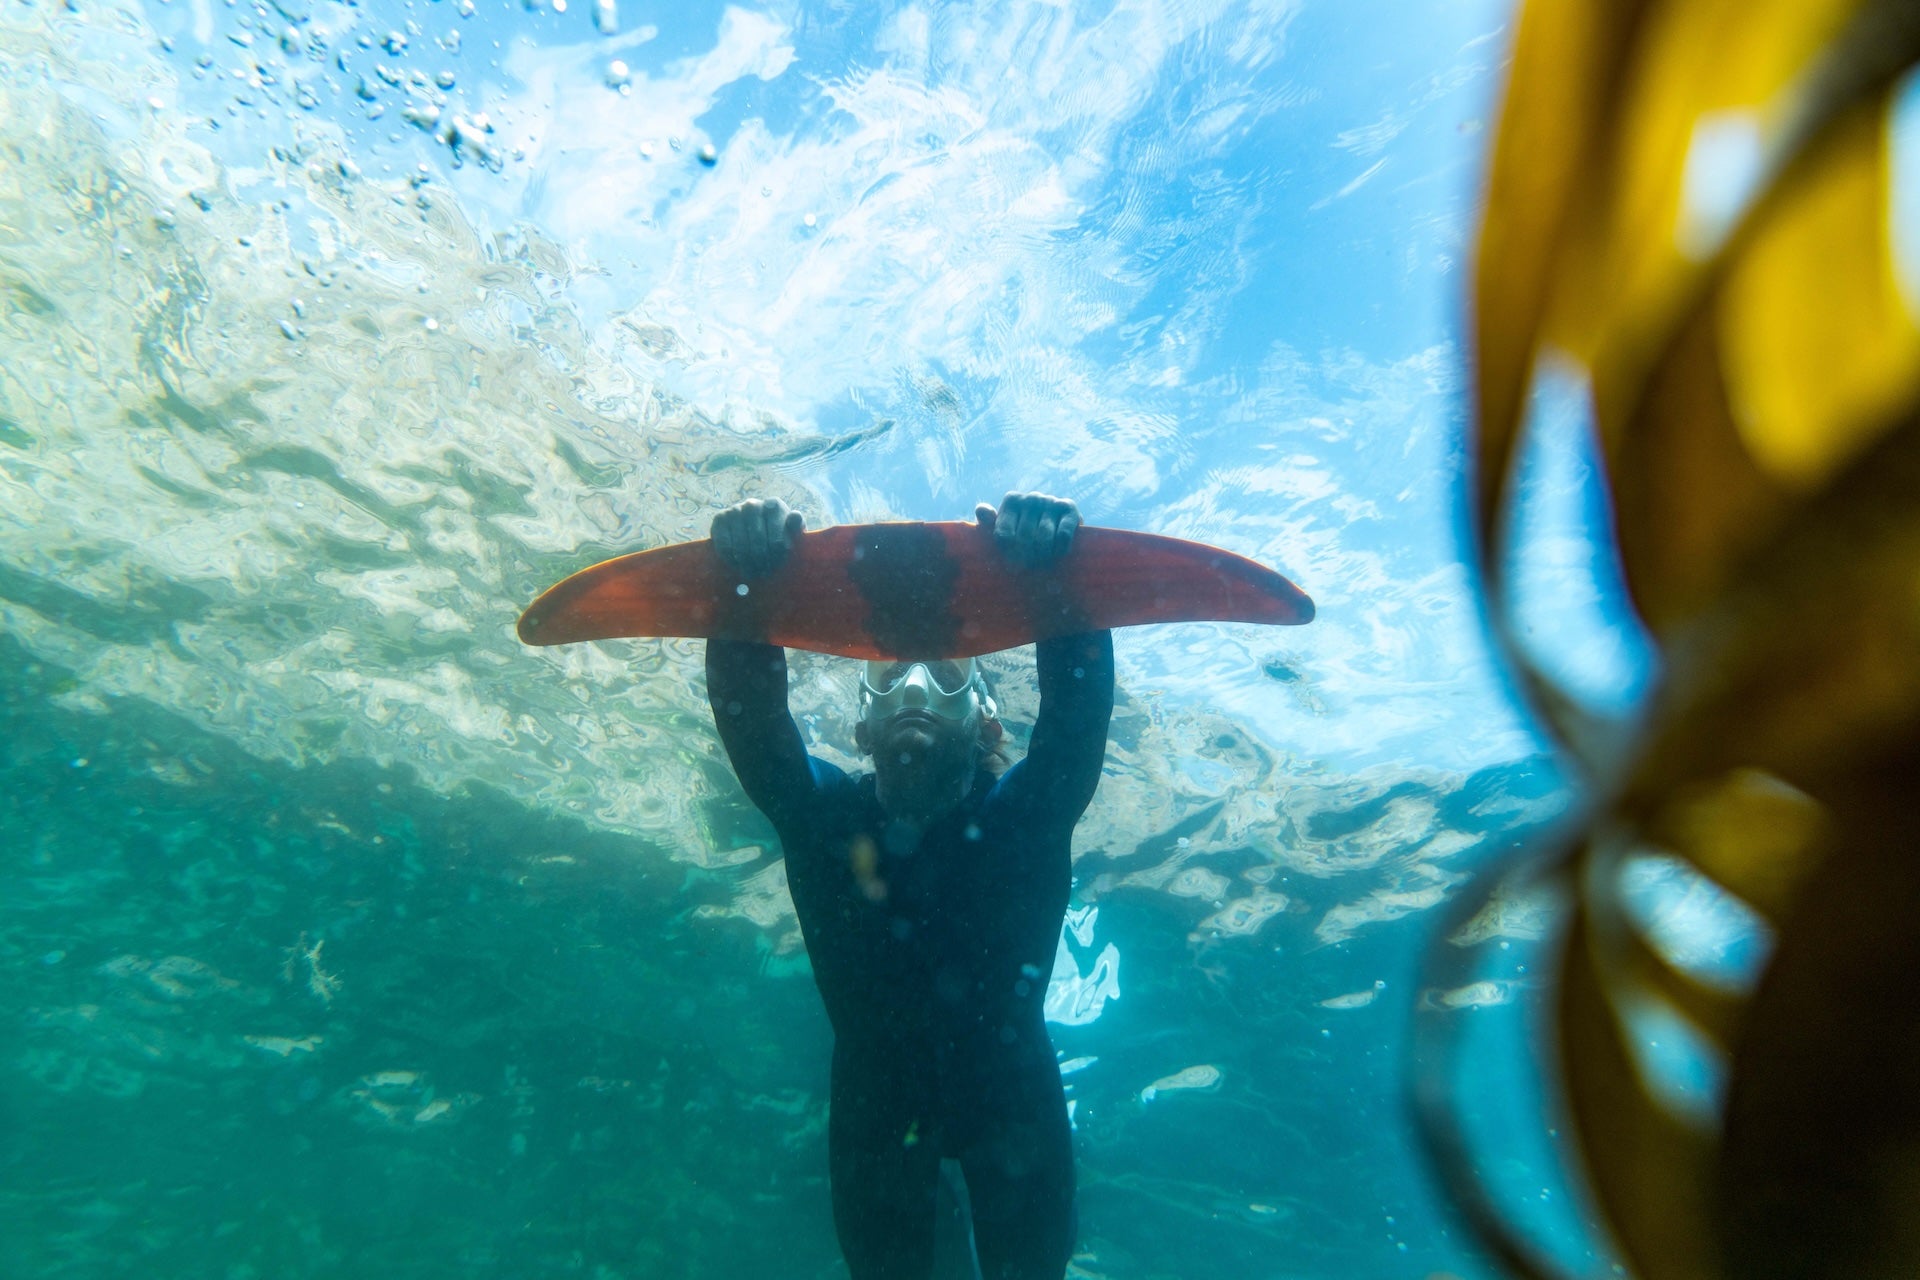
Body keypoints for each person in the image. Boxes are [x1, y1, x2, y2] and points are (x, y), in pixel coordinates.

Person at [705, 491, 1116, 1280]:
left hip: (1003, 1096)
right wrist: (746, 584)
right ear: (862, 728)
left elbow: (1074, 721)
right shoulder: (826, 819)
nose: (917, 691)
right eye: (890, 678)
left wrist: (1054, 573)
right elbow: (756, 725)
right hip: (882, 1099)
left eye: (947, 678)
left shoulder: (1024, 816)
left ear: (986, 725)